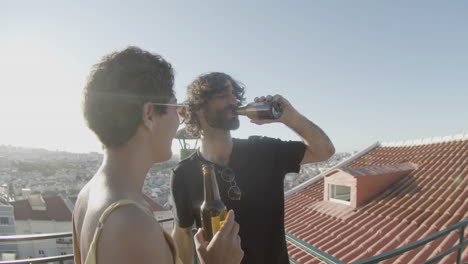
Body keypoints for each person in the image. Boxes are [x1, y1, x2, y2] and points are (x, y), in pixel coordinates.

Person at [73, 47, 243, 264]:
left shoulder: (86, 197)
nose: (180, 116)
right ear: (149, 114)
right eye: (175, 106)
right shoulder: (133, 224)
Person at [171, 72, 335, 264]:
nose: (234, 101)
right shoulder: (183, 174)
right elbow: (182, 234)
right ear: (199, 108)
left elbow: (324, 151)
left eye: (234, 94)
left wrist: (290, 117)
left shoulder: (263, 150)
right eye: (223, 96)